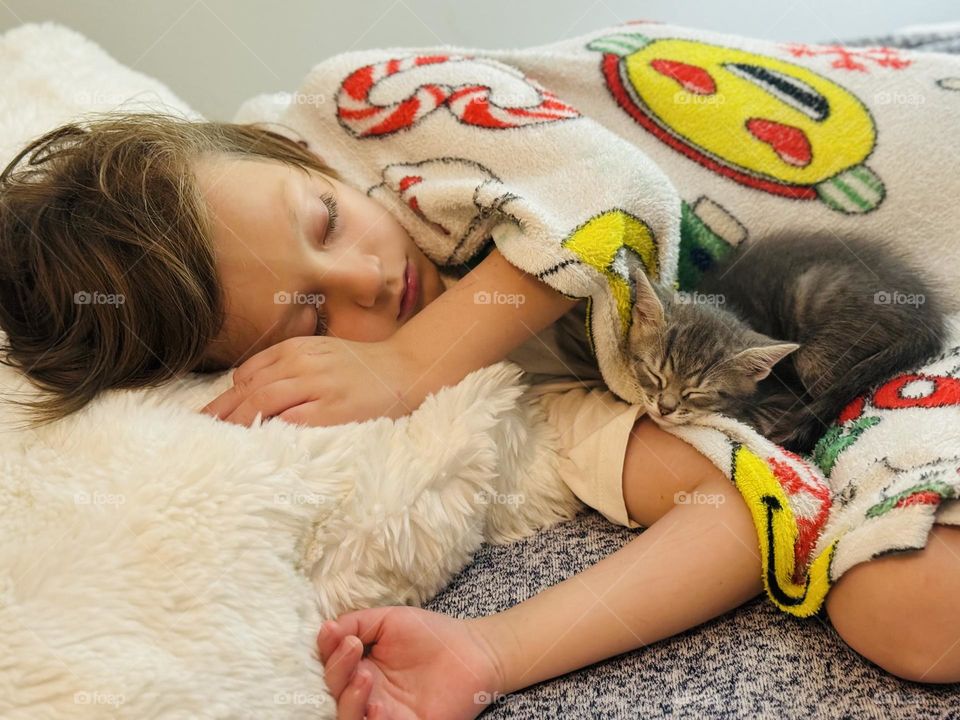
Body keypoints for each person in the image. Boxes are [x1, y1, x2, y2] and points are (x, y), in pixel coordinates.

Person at [0, 113, 957, 720]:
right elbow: (750, 502)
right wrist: (487, 649)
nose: (368, 277)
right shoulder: (495, 398)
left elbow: (611, 193)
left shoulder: (383, 114)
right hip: (908, 335)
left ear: (297, 151)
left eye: (326, 222)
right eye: (315, 317)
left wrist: (410, 358)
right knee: (909, 612)